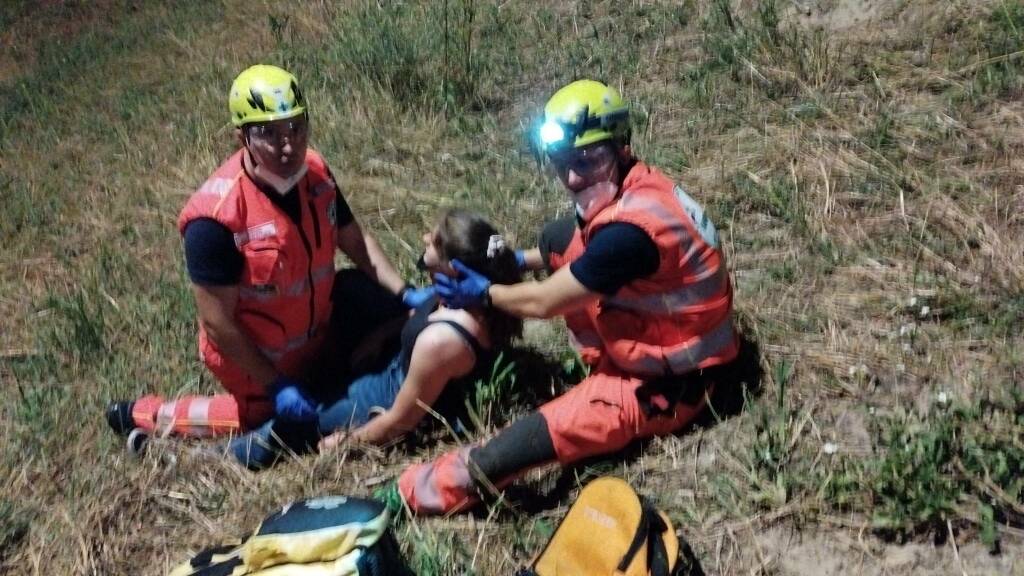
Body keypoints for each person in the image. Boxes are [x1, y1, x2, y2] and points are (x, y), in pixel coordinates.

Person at [397, 79, 740, 515]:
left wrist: (485, 293)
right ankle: (601, 350)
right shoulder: (638, 185)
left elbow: (542, 303)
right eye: (562, 163)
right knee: (558, 237)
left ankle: (414, 492)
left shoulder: (627, 237)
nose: (574, 177)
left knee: (529, 441)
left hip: (674, 379)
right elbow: (566, 249)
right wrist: (517, 261)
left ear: (621, 145)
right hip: (660, 330)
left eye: (589, 160)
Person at [104, 64, 431, 451]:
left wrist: (405, 293)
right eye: (269, 134)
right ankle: (148, 415)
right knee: (268, 422)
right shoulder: (216, 219)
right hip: (256, 362)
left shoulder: (315, 173)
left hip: (314, 333)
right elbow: (217, 323)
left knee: (370, 305)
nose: (288, 146)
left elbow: (356, 240)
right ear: (242, 136)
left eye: (296, 127)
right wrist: (276, 384)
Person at [230, 209, 522, 470]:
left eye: (433, 241)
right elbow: (424, 311)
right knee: (352, 286)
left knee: (296, 426)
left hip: (390, 394)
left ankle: (227, 456)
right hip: (401, 362)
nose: (423, 238)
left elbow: (400, 420)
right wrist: (382, 334)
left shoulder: (443, 341)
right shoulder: (466, 293)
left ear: (452, 266)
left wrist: (344, 443)